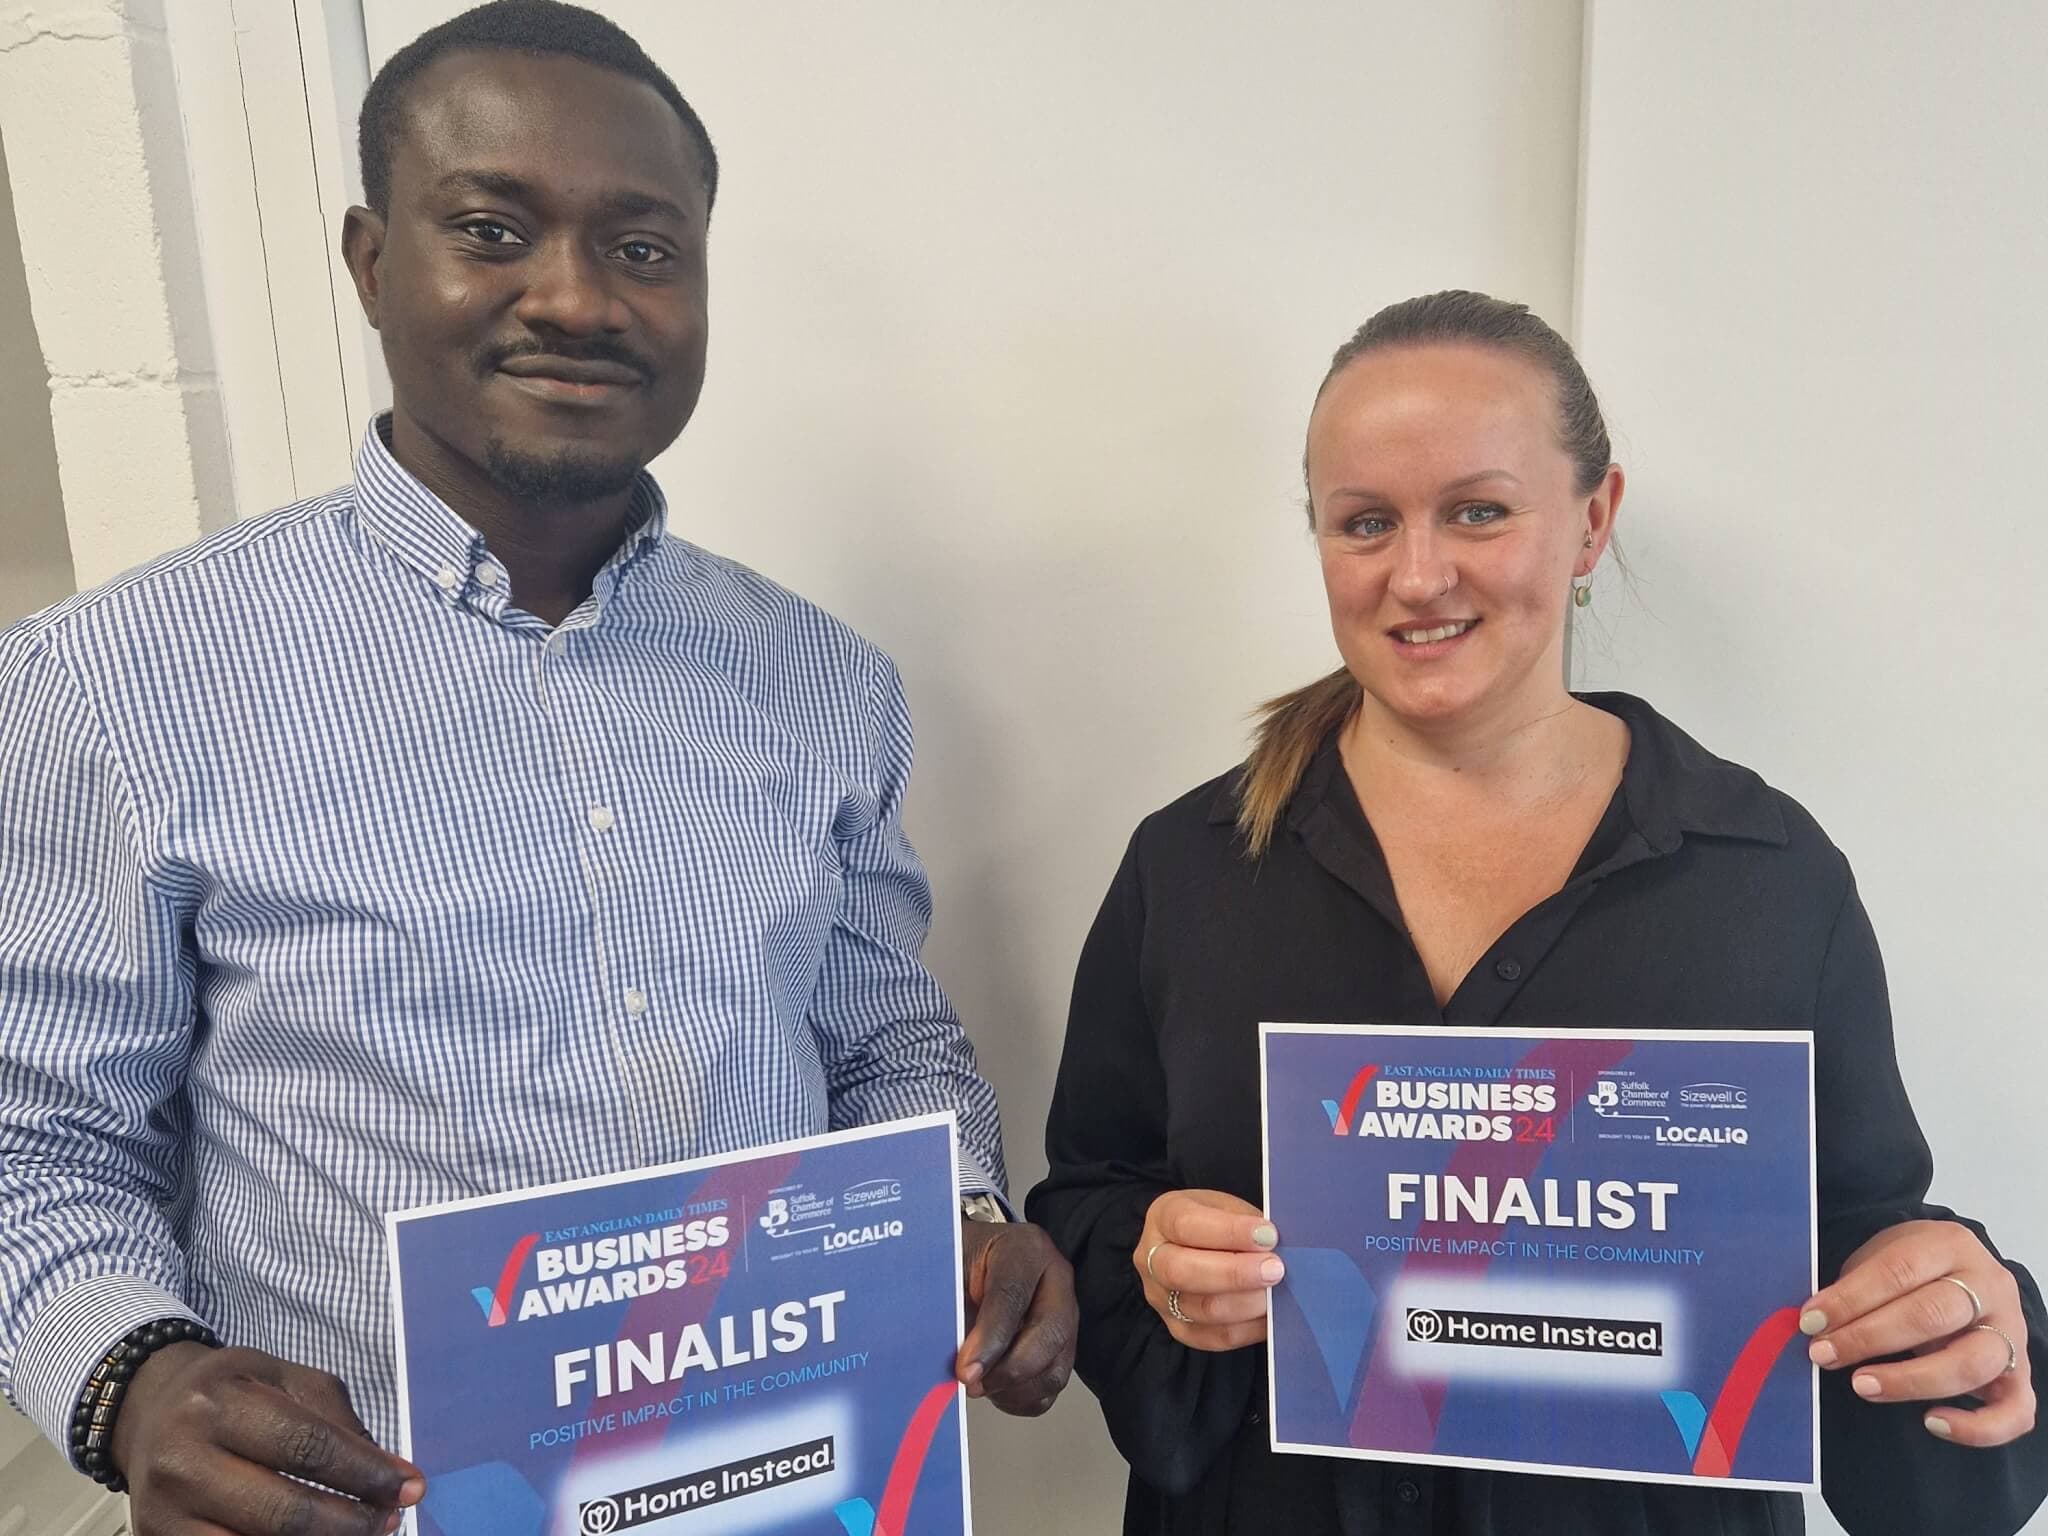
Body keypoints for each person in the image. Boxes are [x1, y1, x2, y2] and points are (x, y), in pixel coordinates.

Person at [0, 4, 1074, 1531]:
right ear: (373, 262)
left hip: (774, 1490)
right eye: (493, 230)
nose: (575, 299)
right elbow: (35, 1140)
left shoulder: (821, 680)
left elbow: (883, 1041)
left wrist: (958, 1208)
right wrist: (135, 1376)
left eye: (643, 248)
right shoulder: (117, 683)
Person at [1027, 290, 2045, 1535]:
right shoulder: (1186, 870)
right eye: (1364, 522)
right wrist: (1155, 1260)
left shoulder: (1766, 878)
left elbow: (1859, 1253)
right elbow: (1089, 1194)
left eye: (1477, 510)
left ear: (1590, 520)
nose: (1416, 575)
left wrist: (1952, 1317)